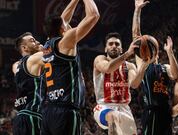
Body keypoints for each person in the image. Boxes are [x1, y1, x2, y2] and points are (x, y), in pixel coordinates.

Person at [40, 0, 99, 134]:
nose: (68, 24)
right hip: (65, 110)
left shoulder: (47, 44)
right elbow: (94, 15)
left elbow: (63, 19)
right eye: (65, 25)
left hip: (49, 110)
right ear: (63, 29)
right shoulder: (65, 42)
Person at [131, 0, 178, 134]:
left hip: (166, 111)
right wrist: (137, 10)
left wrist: (170, 52)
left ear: (157, 51)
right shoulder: (144, 64)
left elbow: (175, 75)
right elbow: (136, 36)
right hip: (151, 110)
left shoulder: (164, 67)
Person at [93, 32, 139, 135]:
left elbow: (135, 84)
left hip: (124, 108)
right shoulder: (100, 59)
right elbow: (108, 69)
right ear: (105, 49)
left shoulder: (130, 66)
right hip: (104, 106)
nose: (114, 46)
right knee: (113, 116)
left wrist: (144, 66)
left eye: (117, 44)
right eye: (111, 44)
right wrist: (127, 54)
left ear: (121, 49)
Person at [12, 32, 44, 135]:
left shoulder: (16, 65)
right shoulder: (33, 60)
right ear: (24, 48)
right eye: (33, 41)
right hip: (32, 114)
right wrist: (42, 47)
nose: (37, 42)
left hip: (20, 117)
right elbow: (54, 50)